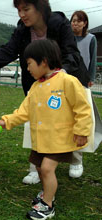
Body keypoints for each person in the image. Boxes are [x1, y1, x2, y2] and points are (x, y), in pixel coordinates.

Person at [0, 0, 90, 185]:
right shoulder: (22, 29)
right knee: (36, 120)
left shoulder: (59, 23)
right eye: (18, 10)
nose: (21, 14)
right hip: (37, 84)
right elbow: (8, 50)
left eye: (26, 9)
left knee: (71, 119)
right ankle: (36, 167)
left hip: (66, 77)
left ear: (40, 8)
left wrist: (59, 77)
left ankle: (76, 159)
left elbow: (71, 53)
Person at [0, 39, 92, 220]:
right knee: (40, 168)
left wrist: (82, 131)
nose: (28, 68)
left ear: (44, 61)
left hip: (59, 139)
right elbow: (24, 112)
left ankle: (48, 206)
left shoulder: (68, 81)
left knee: (47, 169)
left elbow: (83, 108)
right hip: (40, 140)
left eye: (30, 64)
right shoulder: (35, 86)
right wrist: (5, 121)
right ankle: (48, 192)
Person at [69, 10, 98, 178]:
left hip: (82, 81)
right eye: (73, 21)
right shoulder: (66, 38)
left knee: (82, 120)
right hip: (65, 82)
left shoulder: (91, 39)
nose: (76, 24)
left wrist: (91, 78)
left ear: (85, 23)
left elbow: (93, 59)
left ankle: (77, 160)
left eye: (79, 21)